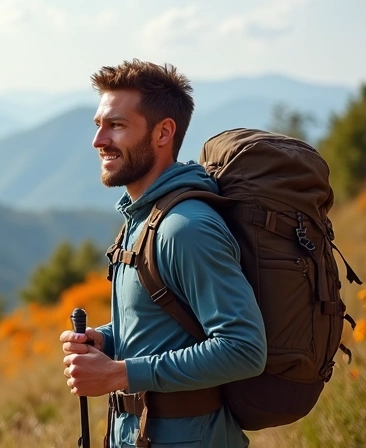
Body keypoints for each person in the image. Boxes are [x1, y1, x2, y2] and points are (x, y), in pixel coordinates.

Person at [60, 59, 268, 447]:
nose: (98, 140)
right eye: (98, 125)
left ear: (163, 133)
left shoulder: (185, 228)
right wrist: (107, 340)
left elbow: (244, 348)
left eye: (116, 125)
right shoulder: (142, 220)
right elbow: (170, 325)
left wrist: (120, 374)